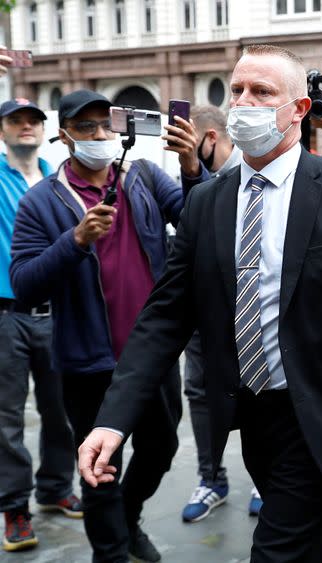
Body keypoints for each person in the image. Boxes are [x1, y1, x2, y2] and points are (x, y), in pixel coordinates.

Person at [76, 44, 322, 562]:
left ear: (298, 109)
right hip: (254, 414)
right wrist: (112, 422)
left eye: (262, 92)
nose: (243, 103)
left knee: (276, 550)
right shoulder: (207, 202)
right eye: (237, 91)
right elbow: (165, 316)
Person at [9, 89, 209, 563]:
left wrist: (193, 169)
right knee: (101, 467)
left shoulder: (141, 176)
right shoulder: (42, 201)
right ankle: (112, 552)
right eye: (86, 127)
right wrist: (75, 240)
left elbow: (199, 220)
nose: (100, 136)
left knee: (160, 448)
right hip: (88, 362)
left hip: (151, 355)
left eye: (106, 126)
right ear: (64, 137)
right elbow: (24, 285)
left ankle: (127, 515)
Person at [0, 98, 82, 553]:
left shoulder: (56, 175)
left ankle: (55, 486)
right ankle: (14, 506)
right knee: (6, 417)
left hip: (56, 312)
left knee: (61, 409)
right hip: (6, 314)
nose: (26, 127)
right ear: (3, 129)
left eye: (33, 121)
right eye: (16, 121)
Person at [179, 105, 264, 522]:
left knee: (262, 386)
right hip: (205, 309)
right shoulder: (194, 177)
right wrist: (189, 169)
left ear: (210, 138)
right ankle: (211, 476)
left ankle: (264, 477)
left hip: (254, 309)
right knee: (198, 391)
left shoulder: (254, 171)